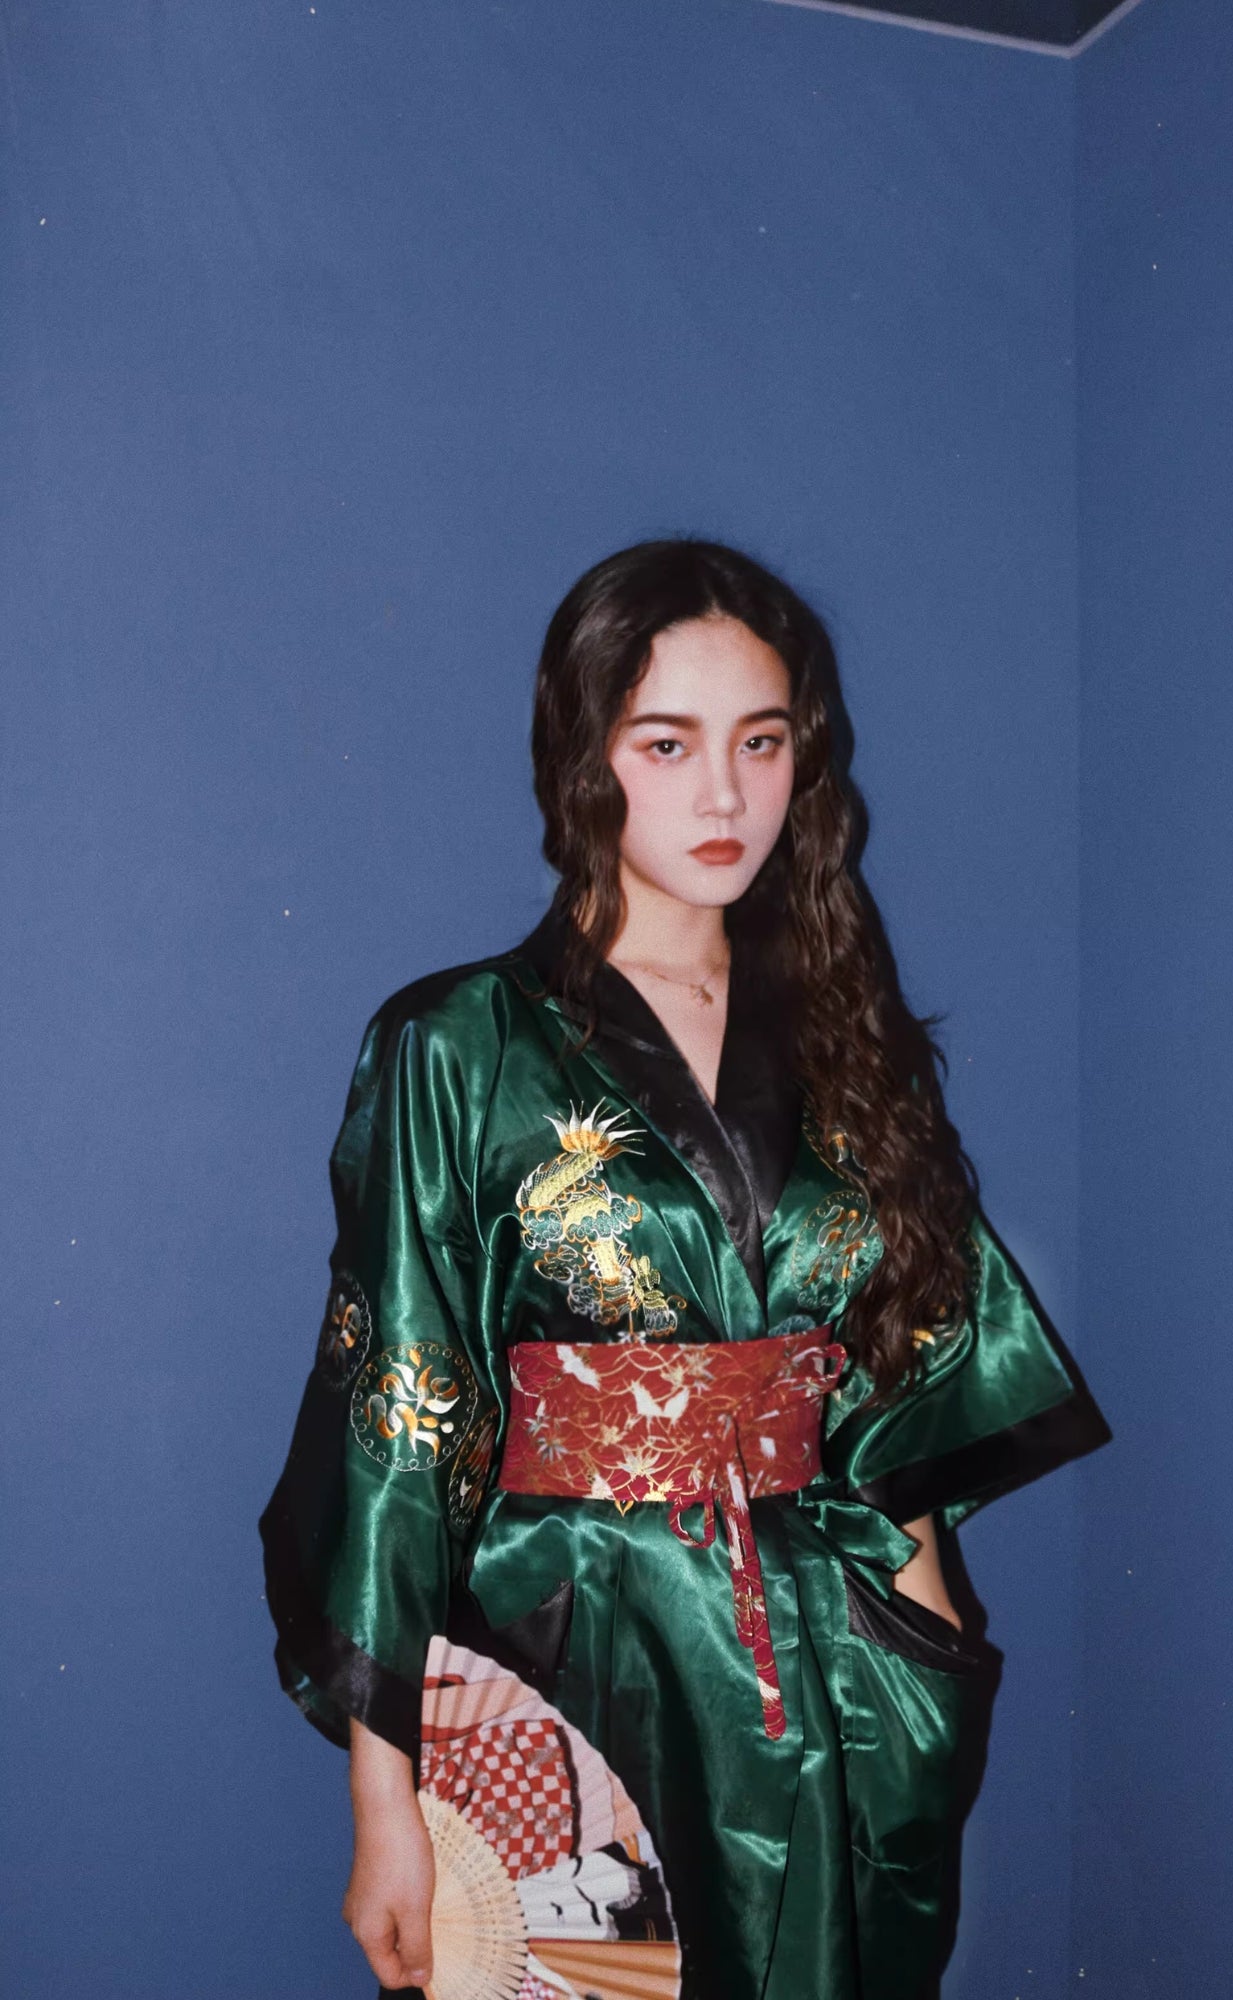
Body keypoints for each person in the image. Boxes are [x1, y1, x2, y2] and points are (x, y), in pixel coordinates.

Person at [259, 537, 1107, 2000]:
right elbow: (402, 1418)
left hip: (839, 1669)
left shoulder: (848, 1035)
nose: (724, 796)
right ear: (581, 753)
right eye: (668, 743)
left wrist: (931, 1644)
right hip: (570, 1656)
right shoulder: (460, 1046)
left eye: (760, 743)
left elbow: (908, 1381)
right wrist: (384, 1800)